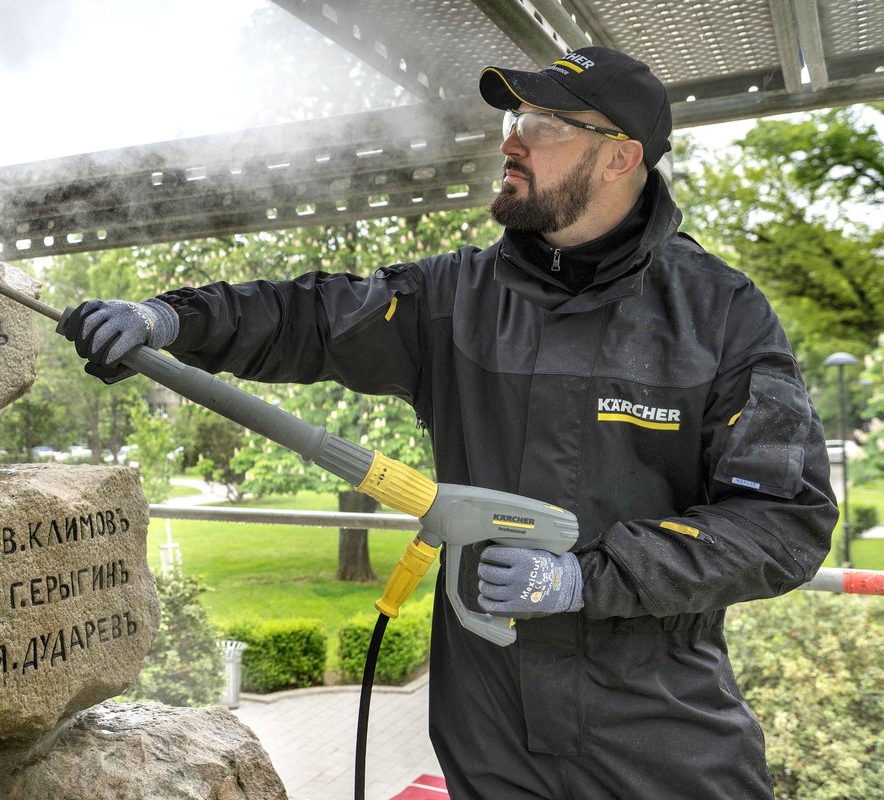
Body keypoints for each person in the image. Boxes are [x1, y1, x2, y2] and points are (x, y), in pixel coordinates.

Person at [60, 46, 836, 799]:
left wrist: (582, 579)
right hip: (489, 734)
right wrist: (171, 319)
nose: (512, 141)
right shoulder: (456, 299)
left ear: (620, 157)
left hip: (660, 734)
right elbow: (313, 316)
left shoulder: (720, 316)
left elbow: (783, 523)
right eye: (512, 121)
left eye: (543, 125)